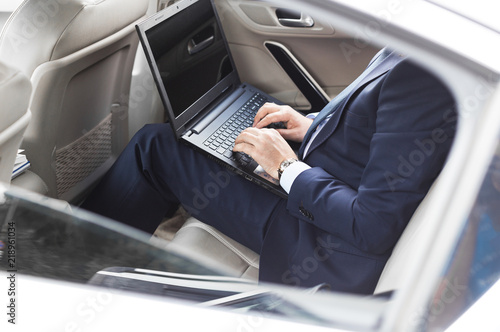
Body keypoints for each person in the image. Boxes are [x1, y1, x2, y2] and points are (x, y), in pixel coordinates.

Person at [81, 48, 457, 294]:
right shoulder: (413, 48)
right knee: (190, 139)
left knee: (156, 146)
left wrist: (285, 166)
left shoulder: (424, 75)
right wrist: (311, 127)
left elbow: (372, 227)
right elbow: (386, 145)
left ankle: (73, 268)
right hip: (324, 191)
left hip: (320, 242)